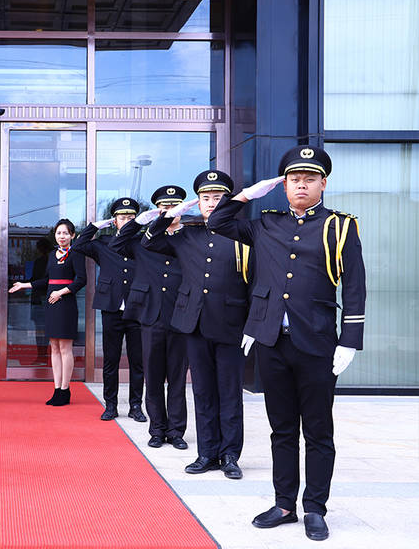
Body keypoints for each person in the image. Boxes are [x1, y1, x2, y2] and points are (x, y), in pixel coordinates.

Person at [207, 145, 366, 541]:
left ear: (323, 184)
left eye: (309, 179)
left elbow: (355, 287)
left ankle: (315, 508)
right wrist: (248, 193)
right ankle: (284, 504)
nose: (301, 185)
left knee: (318, 431)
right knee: (281, 429)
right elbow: (218, 221)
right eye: (294, 179)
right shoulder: (265, 224)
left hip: (317, 344)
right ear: (284, 185)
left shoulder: (340, 227)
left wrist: (349, 340)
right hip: (271, 342)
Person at [141, 171, 250, 479]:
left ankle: (230, 455)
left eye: (218, 197)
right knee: (202, 392)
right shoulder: (187, 235)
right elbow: (148, 242)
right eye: (205, 198)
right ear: (197, 203)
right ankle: (207, 453)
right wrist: (171, 215)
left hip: (231, 325)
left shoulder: (243, 235)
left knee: (229, 393)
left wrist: (253, 325)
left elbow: (255, 282)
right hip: (195, 325)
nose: (211, 203)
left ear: (228, 201)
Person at [111, 186, 188, 450]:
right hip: (150, 316)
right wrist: (139, 222)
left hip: (180, 316)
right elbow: (116, 244)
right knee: (153, 377)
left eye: (174, 207)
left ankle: (176, 431)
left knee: (177, 379)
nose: (170, 212)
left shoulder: (189, 238)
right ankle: (156, 430)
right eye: (165, 208)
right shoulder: (144, 239)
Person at [71, 197, 146, 422]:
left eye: (131, 217)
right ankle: (111, 405)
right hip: (111, 307)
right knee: (111, 360)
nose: (127, 221)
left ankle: (135, 406)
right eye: (122, 218)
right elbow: (78, 246)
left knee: (137, 361)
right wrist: (94, 226)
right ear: (114, 221)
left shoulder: (143, 241)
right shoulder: (103, 243)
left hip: (137, 307)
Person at [9, 219, 86, 406]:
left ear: (72, 235)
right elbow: (46, 280)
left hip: (66, 303)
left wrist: (61, 292)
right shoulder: (52, 255)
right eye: (59, 233)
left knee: (65, 348)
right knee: (54, 347)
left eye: (65, 233)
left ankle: (65, 389)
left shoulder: (76, 253)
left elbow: (81, 280)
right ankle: (57, 388)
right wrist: (25, 285)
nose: (62, 236)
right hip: (52, 304)